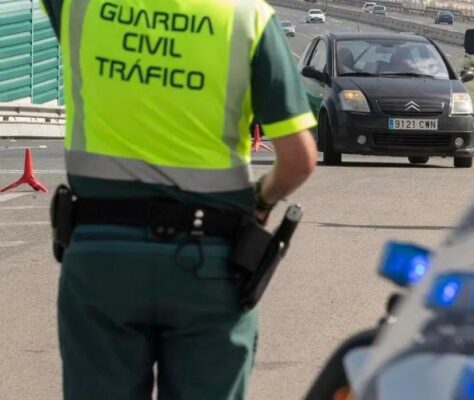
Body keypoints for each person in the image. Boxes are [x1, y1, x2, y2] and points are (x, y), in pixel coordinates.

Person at [42, 0, 318, 398]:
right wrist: (261, 198)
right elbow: (299, 159)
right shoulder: (248, 17)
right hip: (210, 264)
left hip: (103, 261)